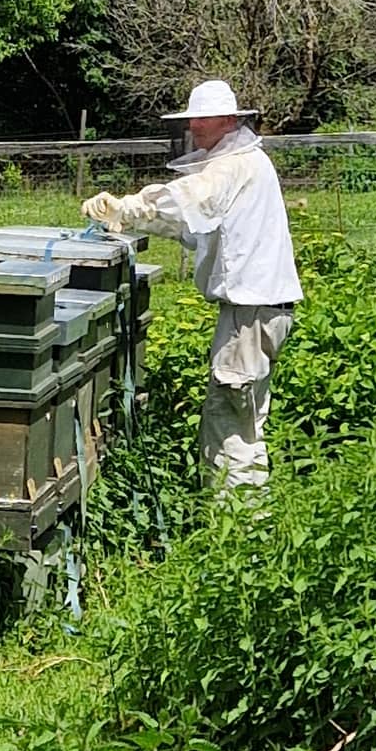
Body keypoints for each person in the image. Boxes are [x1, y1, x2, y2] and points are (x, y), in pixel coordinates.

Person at [83, 78, 302, 489]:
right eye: (192, 119)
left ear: (229, 120)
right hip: (258, 311)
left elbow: (190, 198)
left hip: (249, 314)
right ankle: (249, 514)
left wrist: (127, 206)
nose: (194, 126)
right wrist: (127, 219)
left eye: (204, 119)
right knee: (246, 422)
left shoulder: (232, 166)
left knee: (228, 424)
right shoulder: (246, 164)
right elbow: (193, 228)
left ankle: (234, 518)